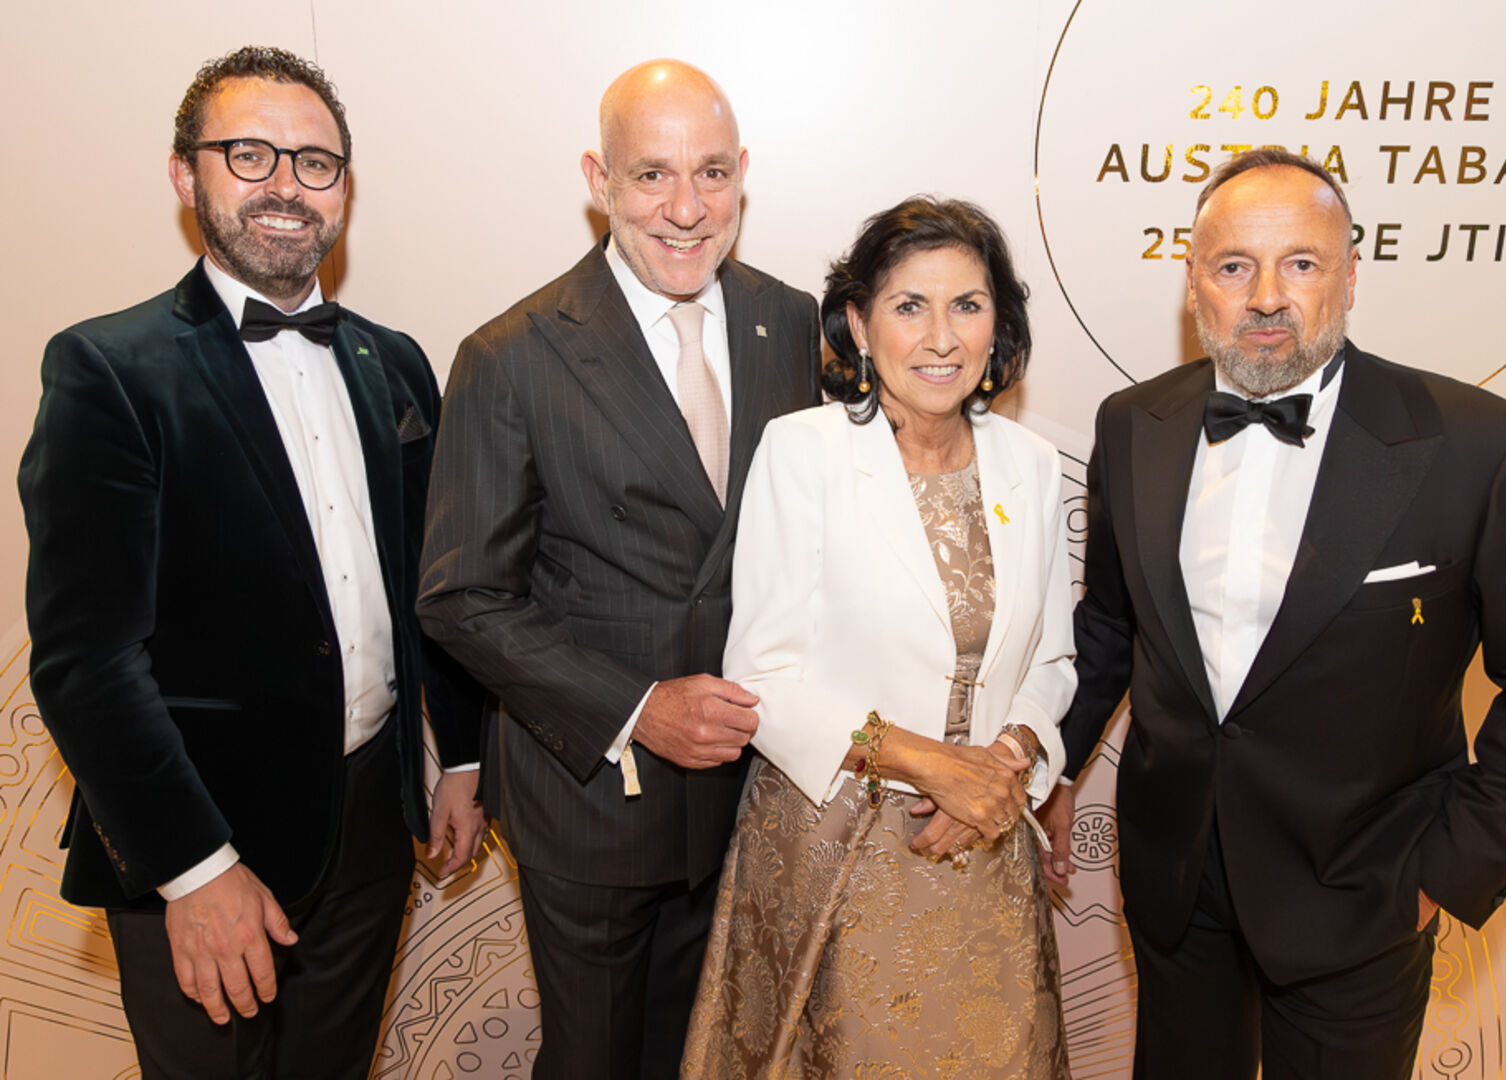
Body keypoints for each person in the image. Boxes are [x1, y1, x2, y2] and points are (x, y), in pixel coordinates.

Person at [1037, 148, 1506, 1078]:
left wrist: (1445, 868)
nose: (1266, 297)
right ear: (1193, 283)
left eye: (1300, 263)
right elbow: (1110, 628)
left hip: (1363, 893)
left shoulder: (1480, 447)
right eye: (1234, 266)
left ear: (1349, 276)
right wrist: (1052, 768)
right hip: (1175, 883)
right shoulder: (1131, 423)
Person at [17, 46, 485, 1080]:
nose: (285, 184)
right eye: (249, 154)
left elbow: (432, 584)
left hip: (370, 827)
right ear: (185, 176)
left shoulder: (393, 359)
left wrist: (458, 755)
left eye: (315, 162)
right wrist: (194, 870)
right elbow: (86, 663)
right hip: (202, 837)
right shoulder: (106, 368)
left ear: (344, 187)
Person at [415, 59, 821, 1079]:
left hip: (747, 796)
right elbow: (462, 596)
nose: (686, 209)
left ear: (742, 175)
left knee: (709, 1058)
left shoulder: (790, 323)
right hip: (591, 800)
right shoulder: (512, 354)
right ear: (599, 180)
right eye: (651, 175)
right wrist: (638, 707)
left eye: (711, 173)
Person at [681, 196, 1075, 1078]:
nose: (941, 338)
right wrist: (934, 766)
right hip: (839, 843)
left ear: (998, 326)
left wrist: (1005, 762)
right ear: (859, 325)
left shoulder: (1031, 463)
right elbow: (764, 676)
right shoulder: (804, 451)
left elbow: (1052, 659)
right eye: (909, 306)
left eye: (967, 306)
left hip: (983, 841)